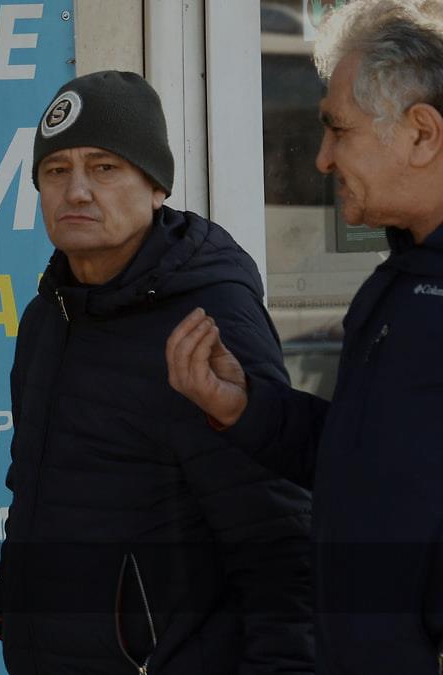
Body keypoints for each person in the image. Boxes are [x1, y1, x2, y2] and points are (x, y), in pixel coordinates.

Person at [0, 71, 314, 674]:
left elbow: (277, 534)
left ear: (157, 185)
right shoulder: (48, 317)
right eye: (56, 170)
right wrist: (12, 605)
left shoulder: (207, 317)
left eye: (104, 167)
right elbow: (31, 483)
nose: (76, 191)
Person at [166, 1, 443, 671]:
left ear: (421, 134)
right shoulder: (399, 285)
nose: (321, 159)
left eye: (338, 130)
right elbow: (363, 462)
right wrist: (245, 407)